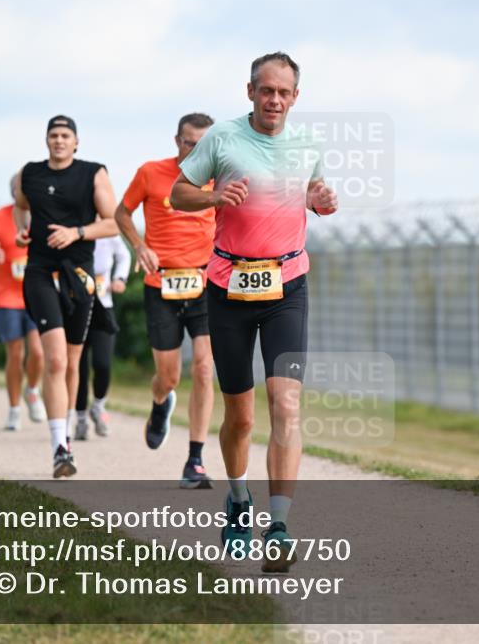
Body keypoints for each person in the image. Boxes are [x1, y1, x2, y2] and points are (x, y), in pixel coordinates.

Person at [171, 53, 338, 570]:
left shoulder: (308, 144)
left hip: (287, 283)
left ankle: (280, 525)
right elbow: (179, 194)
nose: (275, 100)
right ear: (250, 91)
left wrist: (320, 199)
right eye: (267, 91)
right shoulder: (221, 138)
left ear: (296, 97)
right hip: (229, 287)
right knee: (240, 416)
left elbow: (311, 192)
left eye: (284, 93)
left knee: (285, 406)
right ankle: (239, 499)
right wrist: (214, 196)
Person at [11, 115, 119, 478]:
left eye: (65, 136)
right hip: (40, 272)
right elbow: (20, 204)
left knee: (73, 363)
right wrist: (22, 231)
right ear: (46, 140)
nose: (59, 141)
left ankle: (68, 431)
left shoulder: (93, 173)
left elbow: (114, 222)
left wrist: (76, 232)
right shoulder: (29, 174)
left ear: (76, 142)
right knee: (55, 361)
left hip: (80, 275)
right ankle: (60, 448)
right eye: (53, 135)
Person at [116, 112, 217, 489]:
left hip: (205, 283)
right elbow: (122, 212)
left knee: (205, 370)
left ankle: (195, 460)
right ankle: (160, 404)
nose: (197, 150)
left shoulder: (220, 177)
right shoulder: (151, 172)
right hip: (162, 286)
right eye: (191, 142)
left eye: (205, 144)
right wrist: (139, 246)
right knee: (169, 377)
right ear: (178, 141)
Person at [0, 201, 48, 430]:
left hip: (37, 294)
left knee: (38, 352)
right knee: (15, 355)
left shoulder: (44, 214)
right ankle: (14, 410)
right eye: (19, 189)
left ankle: (32, 391)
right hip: (7, 297)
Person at [74, 231, 130, 440]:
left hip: (103, 307)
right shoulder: (76, 228)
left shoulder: (108, 230)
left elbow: (124, 255)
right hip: (77, 306)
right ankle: (80, 419)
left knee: (103, 363)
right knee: (79, 367)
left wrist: (119, 278)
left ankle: (98, 406)